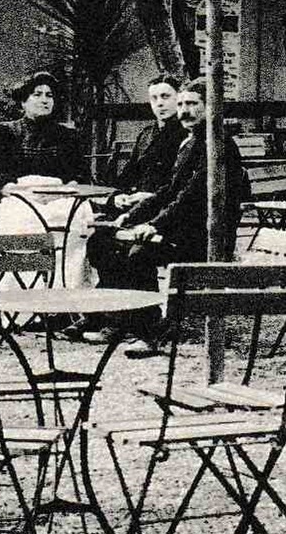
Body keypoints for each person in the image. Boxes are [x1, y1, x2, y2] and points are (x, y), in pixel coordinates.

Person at [85, 78, 248, 358]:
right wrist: (129, 217)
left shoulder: (218, 146)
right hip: (181, 228)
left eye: (193, 104)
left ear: (211, 108)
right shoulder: (191, 142)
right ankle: (120, 320)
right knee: (102, 241)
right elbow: (168, 190)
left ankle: (150, 332)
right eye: (182, 103)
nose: (184, 110)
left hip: (206, 235)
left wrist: (153, 225)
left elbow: (190, 197)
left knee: (140, 253)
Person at [0, 70, 93, 286]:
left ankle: (63, 297)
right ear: (24, 101)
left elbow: (79, 175)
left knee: (72, 229)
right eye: (37, 94)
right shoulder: (6, 132)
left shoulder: (67, 136)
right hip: (19, 199)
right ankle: (24, 301)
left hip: (61, 200)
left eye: (49, 95)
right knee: (22, 228)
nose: (45, 99)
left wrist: (60, 193)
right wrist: (23, 194)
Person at [107, 72, 188, 212]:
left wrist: (152, 197)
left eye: (165, 97)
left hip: (167, 206)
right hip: (136, 202)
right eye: (154, 98)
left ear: (179, 98)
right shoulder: (146, 134)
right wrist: (117, 195)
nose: (159, 103)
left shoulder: (187, 134)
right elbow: (130, 172)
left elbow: (182, 183)